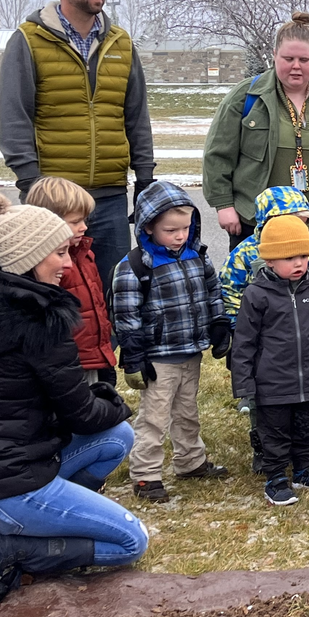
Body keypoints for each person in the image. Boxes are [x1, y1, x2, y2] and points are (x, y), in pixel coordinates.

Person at [0, 192, 147, 607]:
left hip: (7, 459)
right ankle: (6, 547)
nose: (68, 264)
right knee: (132, 541)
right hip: (6, 482)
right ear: (29, 257)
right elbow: (83, 415)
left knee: (118, 438)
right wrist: (119, 402)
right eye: (59, 252)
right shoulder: (41, 322)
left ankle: (32, 522)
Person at [0, 0, 155, 291]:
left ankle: (107, 348)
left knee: (112, 291)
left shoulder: (120, 43)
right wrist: (32, 183)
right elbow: (13, 119)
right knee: (54, 293)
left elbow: (136, 116)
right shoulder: (28, 41)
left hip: (111, 198)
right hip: (53, 197)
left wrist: (144, 178)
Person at [203, 11, 309, 269]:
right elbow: (218, 154)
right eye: (288, 58)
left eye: (304, 59)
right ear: (274, 56)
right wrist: (224, 205)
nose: (296, 66)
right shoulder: (247, 96)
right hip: (256, 224)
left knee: (307, 297)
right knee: (255, 296)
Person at [113, 182, 232, 503]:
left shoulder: (197, 257)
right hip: (157, 358)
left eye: (185, 228)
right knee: (154, 417)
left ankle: (190, 462)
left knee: (187, 410)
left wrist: (219, 323)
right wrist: (134, 356)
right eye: (171, 230)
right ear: (148, 226)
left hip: (190, 350)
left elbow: (212, 292)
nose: (180, 235)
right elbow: (126, 314)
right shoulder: (135, 266)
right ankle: (145, 475)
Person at [231, 215, 309, 506]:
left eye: (303, 256)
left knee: (307, 427)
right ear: (269, 260)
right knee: (274, 432)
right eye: (289, 257)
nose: (298, 263)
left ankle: (303, 469)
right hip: (272, 383)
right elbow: (244, 343)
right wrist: (244, 383)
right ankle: (275, 477)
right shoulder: (257, 295)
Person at [219, 185, 309, 469]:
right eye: (295, 222)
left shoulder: (308, 255)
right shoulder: (244, 255)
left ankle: (300, 447)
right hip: (262, 342)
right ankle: (265, 449)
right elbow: (229, 290)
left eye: (304, 224)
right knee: (264, 401)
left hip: (301, 340)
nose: (301, 229)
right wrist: (236, 327)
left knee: (302, 396)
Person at [23, 177, 118, 385]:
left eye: (84, 220)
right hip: (67, 363)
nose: (84, 227)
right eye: (75, 222)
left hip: (92, 357)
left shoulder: (84, 254)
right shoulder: (46, 266)